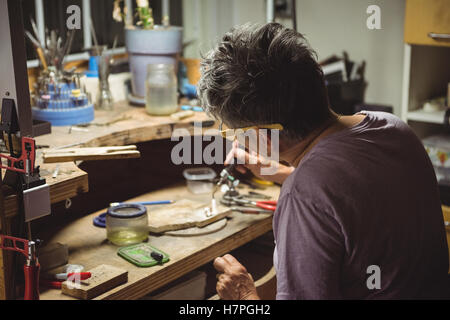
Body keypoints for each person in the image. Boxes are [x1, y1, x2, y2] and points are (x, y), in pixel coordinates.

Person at [197, 22, 449, 299]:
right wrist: (280, 172)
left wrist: (244, 296)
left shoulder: (304, 195)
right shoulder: (394, 128)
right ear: (318, 81)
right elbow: (349, 190)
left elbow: (321, 194)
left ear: (261, 138)